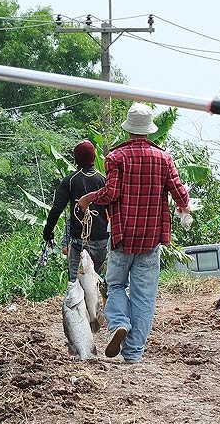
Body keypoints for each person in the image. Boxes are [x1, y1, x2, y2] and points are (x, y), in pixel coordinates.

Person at [78, 103, 191, 363]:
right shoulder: (164, 159)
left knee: (116, 285)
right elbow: (180, 195)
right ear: (149, 130)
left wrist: (88, 198)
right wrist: (184, 209)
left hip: (122, 236)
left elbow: (111, 194)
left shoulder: (116, 157)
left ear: (128, 129)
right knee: (144, 295)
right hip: (151, 239)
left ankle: (119, 322)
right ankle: (133, 353)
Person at [42, 140, 109, 281]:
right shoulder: (104, 180)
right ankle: (96, 303)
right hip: (102, 241)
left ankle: (79, 303)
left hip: (79, 243)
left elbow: (57, 209)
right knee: (97, 281)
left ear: (76, 158)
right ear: (94, 156)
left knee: (76, 282)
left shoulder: (70, 180)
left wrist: (48, 232)